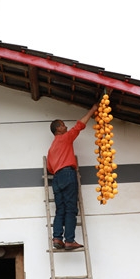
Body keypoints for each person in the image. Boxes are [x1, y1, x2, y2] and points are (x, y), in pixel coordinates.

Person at [47, 104, 97, 250]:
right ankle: (69, 240)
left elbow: (50, 168)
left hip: (56, 178)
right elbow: (79, 125)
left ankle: (57, 238)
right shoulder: (65, 138)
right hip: (67, 174)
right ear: (58, 129)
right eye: (63, 125)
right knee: (70, 209)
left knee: (60, 210)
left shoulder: (51, 149)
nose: (66, 127)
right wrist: (93, 110)